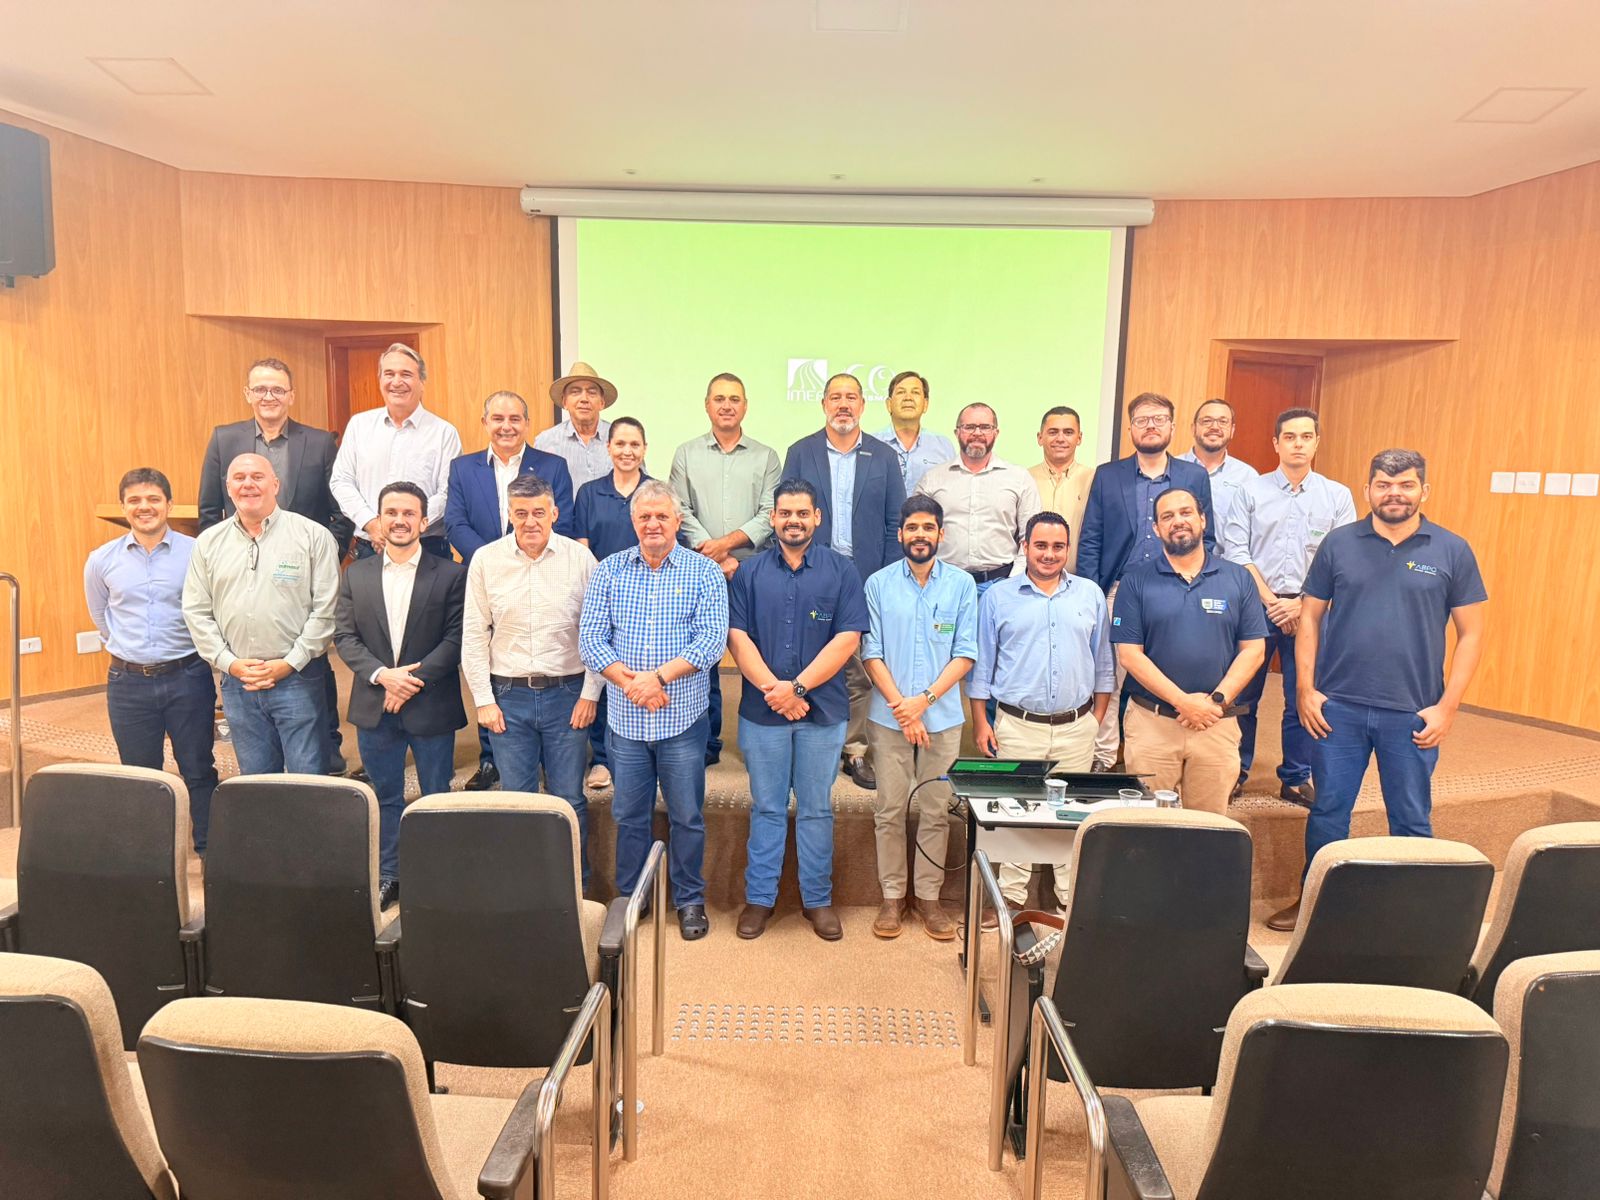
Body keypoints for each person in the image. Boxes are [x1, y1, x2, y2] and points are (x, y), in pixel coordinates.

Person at [1268, 449, 1487, 932]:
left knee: (1410, 818)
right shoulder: (1339, 544)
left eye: (1406, 485)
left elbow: (1471, 634)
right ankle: (1315, 903)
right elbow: (1309, 617)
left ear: (1424, 491)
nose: (1395, 494)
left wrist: (1448, 707)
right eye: (1384, 485)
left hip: (1412, 713)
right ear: (1368, 489)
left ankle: (1410, 914)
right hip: (1338, 709)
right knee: (1328, 812)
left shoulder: (1452, 550)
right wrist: (1305, 688)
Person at [579, 480, 729, 941]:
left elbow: (711, 642)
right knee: (628, 815)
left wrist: (657, 679)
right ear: (633, 521)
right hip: (626, 722)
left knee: (687, 816)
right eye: (644, 516)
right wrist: (634, 684)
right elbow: (591, 640)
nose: (653, 524)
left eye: (662, 516)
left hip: (682, 719)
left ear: (678, 521)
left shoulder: (704, 572)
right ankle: (632, 897)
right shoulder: (609, 571)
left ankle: (689, 899)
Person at [727, 479, 870, 942]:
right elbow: (737, 638)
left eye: (802, 513)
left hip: (822, 713)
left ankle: (817, 900)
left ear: (817, 518)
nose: (794, 521)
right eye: (785, 513)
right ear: (772, 518)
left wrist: (798, 688)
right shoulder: (748, 573)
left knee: (816, 810)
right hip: (763, 711)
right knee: (767, 808)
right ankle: (759, 899)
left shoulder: (842, 571)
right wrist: (777, 692)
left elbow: (847, 639)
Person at [198, 357, 351, 774]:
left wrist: (321, 558)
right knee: (257, 757)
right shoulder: (224, 439)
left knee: (314, 688)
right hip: (242, 562)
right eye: (261, 389)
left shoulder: (319, 442)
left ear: (291, 396)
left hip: (300, 575)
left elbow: (339, 512)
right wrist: (226, 553)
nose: (269, 396)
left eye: (278, 389)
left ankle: (327, 752)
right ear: (248, 393)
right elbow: (209, 509)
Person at [969, 512, 1114, 913]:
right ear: (1025, 547)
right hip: (1018, 725)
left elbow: (1103, 665)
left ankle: (1070, 903)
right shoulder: (998, 597)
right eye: (1041, 546)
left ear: (1068, 549)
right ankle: (1011, 902)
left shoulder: (1089, 594)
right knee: (1018, 814)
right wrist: (981, 721)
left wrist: (1095, 720)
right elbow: (982, 667)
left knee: (1072, 817)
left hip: (1077, 726)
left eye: (1058, 546)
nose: (1049, 554)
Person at [461, 474, 602, 881]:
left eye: (539, 512)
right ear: (509, 514)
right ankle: (525, 892)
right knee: (517, 801)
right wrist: (484, 701)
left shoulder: (581, 559)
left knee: (569, 799)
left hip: (568, 695)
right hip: (509, 697)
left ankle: (574, 888)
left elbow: (598, 631)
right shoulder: (486, 560)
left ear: (554, 513)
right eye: (521, 513)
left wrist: (591, 693)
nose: (530, 521)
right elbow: (474, 634)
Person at [333, 481, 467, 908]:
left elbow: (456, 639)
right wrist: (382, 676)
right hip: (376, 706)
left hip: (431, 704)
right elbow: (345, 637)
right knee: (385, 796)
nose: (400, 520)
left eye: (409, 513)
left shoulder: (451, 574)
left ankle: (435, 878)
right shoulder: (356, 574)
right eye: (391, 512)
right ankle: (390, 874)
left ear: (424, 522)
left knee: (435, 796)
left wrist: (410, 681)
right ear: (378, 520)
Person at [1221, 408, 1357, 805]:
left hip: (1311, 608)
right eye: (1290, 437)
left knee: (1304, 694)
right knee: (1242, 695)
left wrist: (1301, 604)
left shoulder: (1337, 496)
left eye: (1306, 437)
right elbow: (1236, 552)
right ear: (1276, 443)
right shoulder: (1250, 491)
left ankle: (1296, 775)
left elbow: (1343, 560)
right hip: (1255, 604)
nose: (1298, 444)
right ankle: (1236, 771)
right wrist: (1271, 601)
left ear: (1317, 442)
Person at [443, 389, 576, 791]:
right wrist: (495, 559)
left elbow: (563, 518)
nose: (506, 426)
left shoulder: (553, 465)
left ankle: (550, 758)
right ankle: (492, 759)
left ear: (527, 424)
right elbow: (455, 522)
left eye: (515, 418)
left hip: (545, 567)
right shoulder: (463, 467)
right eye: (498, 419)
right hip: (487, 574)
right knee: (493, 655)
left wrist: (523, 547)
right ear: (485, 423)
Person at [1077, 392, 1216, 771]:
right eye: (1142, 420)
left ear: (1172, 426)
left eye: (1158, 419)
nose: (1150, 426)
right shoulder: (1108, 475)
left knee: (1168, 673)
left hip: (1177, 591)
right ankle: (1103, 758)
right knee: (1109, 677)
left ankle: (1167, 755)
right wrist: (1091, 595)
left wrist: (1194, 585)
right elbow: (1091, 539)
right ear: (1130, 429)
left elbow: (1208, 538)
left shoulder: (1193, 476)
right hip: (1120, 591)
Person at [84, 468, 218, 854]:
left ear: (169, 505)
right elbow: (101, 615)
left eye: (153, 499)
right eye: (135, 500)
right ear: (124, 507)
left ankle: (210, 852)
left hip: (187, 676)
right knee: (140, 774)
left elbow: (211, 607)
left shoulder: (197, 552)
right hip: (128, 684)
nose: (145, 507)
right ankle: (153, 856)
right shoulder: (101, 559)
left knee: (198, 767)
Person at [861, 495, 977, 940]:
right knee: (889, 810)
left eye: (928, 527)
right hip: (889, 718)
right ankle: (892, 897)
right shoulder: (878, 584)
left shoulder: (962, 585)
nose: (920, 535)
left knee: (935, 811)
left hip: (942, 718)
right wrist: (903, 708)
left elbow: (965, 653)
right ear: (900, 534)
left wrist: (922, 703)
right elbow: (871, 653)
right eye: (912, 527)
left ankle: (928, 898)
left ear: (941, 534)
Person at [782, 373, 905, 790]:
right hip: (812, 575)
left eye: (851, 397)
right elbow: (788, 514)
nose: (843, 404)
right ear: (823, 404)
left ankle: (854, 750)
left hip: (866, 578)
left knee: (860, 669)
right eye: (835, 397)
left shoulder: (883, 456)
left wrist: (887, 580)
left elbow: (895, 522)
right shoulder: (801, 451)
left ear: (862, 405)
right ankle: (808, 745)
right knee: (808, 661)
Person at [1112, 488, 1267, 815]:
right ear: (1156, 528)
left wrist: (1216, 701)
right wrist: (1183, 702)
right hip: (1152, 724)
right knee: (1145, 827)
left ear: (1203, 519)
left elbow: (1254, 650)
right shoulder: (1135, 581)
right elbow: (1129, 655)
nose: (1178, 521)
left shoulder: (1238, 579)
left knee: (1209, 829)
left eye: (1185, 513)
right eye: (1167, 516)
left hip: (1216, 723)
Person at [182, 454, 340, 775]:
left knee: (309, 782)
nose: (248, 484)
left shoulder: (313, 536)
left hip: (298, 677)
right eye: (239, 478)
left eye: (257, 476)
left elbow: (326, 610)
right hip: (238, 681)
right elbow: (196, 611)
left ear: (275, 484)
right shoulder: (208, 543)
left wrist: (290, 662)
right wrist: (229, 663)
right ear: (228, 487)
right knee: (256, 782)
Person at [668, 371, 782, 767]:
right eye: (719, 398)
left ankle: (759, 741)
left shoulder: (766, 456)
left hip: (752, 571)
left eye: (734, 399)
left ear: (745, 406)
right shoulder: (685, 454)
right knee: (703, 657)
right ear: (707, 405)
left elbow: (770, 514)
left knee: (759, 656)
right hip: (700, 571)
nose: (727, 405)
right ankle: (705, 741)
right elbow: (680, 510)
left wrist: (726, 547)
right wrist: (714, 554)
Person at [572, 416, 652, 791]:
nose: (627, 451)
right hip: (602, 595)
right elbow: (582, 548)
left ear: (645, 449)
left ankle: (644, 756)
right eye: (620, 443)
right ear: (608, 447)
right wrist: (604, 587)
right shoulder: (590, 493)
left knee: (641, 675)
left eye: (634, 444)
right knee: (605, 674)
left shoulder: (655, 492)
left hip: (648, 598)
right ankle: (603, 759)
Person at [330, 343, 461, 561]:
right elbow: (341, 481)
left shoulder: (444, 433)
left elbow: (448, 493)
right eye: (389, 374)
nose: (396, 382)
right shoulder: (359, 426)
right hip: (370, 547)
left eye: (406, 374)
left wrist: (404, 527)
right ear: (380, 380)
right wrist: (372, 523)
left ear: (422, 382)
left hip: (427, 550)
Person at [915, 402, 1039, 592]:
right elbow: (917, 533)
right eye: (969, 427)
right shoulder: (932, 479)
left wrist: (1014, 581)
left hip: (1001, 584)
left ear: (996, 433)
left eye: (985, 427)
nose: (977, 433)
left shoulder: (1019, 478)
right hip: (945, 586)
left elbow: (1031, 536)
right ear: (957, 432)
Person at [1028, 406, 1094, 575]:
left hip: (1079, 579)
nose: (1060, 438)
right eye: (1053, 432)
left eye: (1068, 432)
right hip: (1030, 578)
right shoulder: (1024, 479)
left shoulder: (1094, 480)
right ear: (1040, 438)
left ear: (1079, 438)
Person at [1176, 398, 1259, 533]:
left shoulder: (1247, 476)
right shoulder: (1171, 468)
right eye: (1207, 421)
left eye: (1223, 422)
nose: (1214, 427)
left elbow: (1255, 528)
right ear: (1193, 428)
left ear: (1232, 430)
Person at [533, 362, 616, 490]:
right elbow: (536, 491)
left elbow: (642, 487)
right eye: (575, 392)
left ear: (602, 402)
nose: (584, 399)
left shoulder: (620, 437)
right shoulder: (546, 441)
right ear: (565, 402)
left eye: (592, 392)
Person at [873, 370, 955, 492]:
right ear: (889, 404)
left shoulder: (943, 446)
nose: (908, 398)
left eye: (915, 392)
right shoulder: (871, 445)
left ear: (925, 404)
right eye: (901, 392)